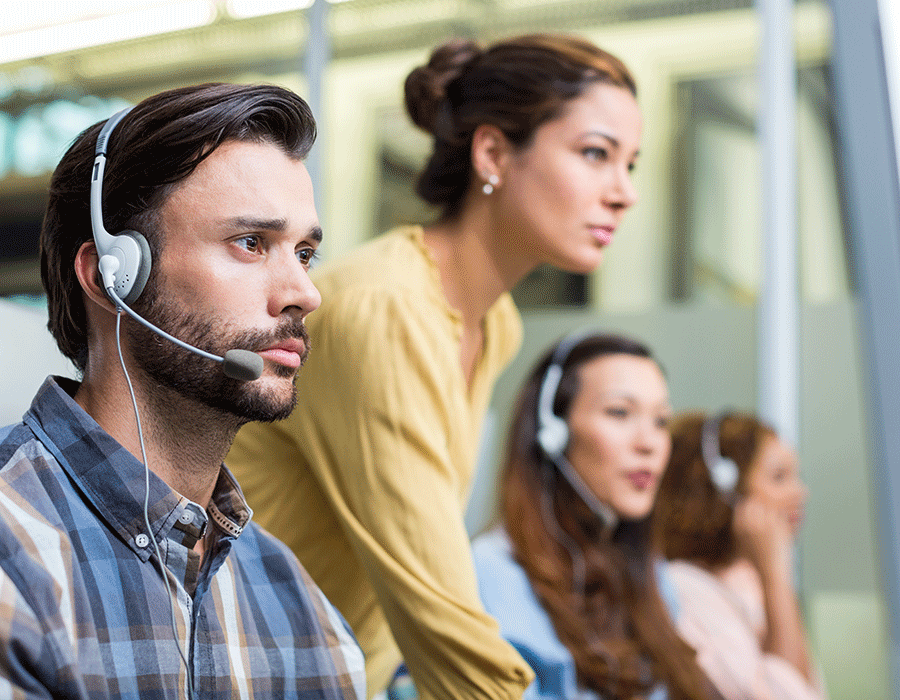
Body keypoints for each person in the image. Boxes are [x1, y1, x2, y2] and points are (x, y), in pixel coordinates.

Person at [227, 33, 643, 700]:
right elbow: (441, 620)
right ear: (494, 152)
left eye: (631, 164)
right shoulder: (385, 310)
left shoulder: (494, 324)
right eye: (596, 154)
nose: (624, 193)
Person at [0, 83, 366, 698]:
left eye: (305, 252)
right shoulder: (16, 551)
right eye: (252, 243)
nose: (306, 292)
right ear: (113, 276)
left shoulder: (300, 609)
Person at [471, 332, 720, 700]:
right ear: (551, 432)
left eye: (661, 421)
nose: (648, 443)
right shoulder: (490, 576)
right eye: (619, 412)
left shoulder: (651, 577)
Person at [652, 411, 825, 700]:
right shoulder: (683, 589)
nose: (800, 493)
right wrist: (774, 575)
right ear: (724, 489)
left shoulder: (750, 588)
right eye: (779, 477)